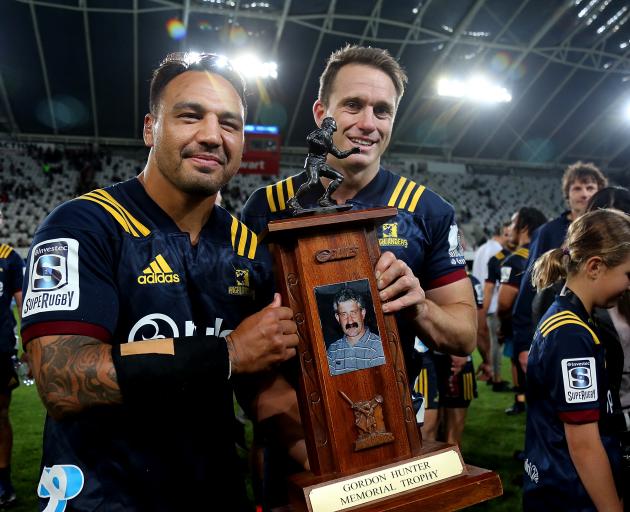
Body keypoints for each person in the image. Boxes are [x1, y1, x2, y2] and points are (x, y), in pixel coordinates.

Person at [21, 52, 302, 511]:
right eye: (191, 116)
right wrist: (227, 353)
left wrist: (346, 471)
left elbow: (264, 390)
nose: (212, 136)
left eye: (230, 124)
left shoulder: (248, 250)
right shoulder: (82, 225)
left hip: (214, 491)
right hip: (104, 496)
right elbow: (60, 379)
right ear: (151, 128)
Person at [241, 44, 477, 510]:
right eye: (353, 104)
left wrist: (421, 306)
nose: (368, 122)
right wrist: (315, 450)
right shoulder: (265, 208)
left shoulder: (428, 210)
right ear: (321, 112)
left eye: (382, 110)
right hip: (298, 448)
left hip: (393, 442)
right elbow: (247, 349)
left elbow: (465, 334)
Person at [524, 208, 627, 512]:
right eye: (628, 274)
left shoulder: (570, 319)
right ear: (595, 267)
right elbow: (584, 446)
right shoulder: (570, 334)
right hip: (570, 495)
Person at [511, 162, 607, 377]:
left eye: (590, 188)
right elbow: (530, 286)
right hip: (558, 330)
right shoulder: (547, 232)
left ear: (600, 191)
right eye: (577, 188)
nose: (584, 194)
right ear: (567, 194)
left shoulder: (611, 230)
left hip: (607, 332)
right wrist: (524, 343)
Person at [498, 207, 547, 415]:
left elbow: (504, 302)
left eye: (513, 222)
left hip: (523, 328)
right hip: (550, 326)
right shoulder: (548, 254)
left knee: (517, 363)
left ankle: (520, 401)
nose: (510, 227)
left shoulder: (514, 259)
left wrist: (503, 323)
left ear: (524, 226)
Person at [0, 214, 25, 506]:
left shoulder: (9, 258)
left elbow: (22, 303)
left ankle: (3, 480)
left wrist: (28, 342)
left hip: (0, 347)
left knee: (0, 415)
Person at [287, 116, 359, 210]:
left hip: (321, 164)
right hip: (312, 162)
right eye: (332, 129)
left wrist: (351, 151)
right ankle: (294, 200)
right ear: (328, 126)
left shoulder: (329, 140)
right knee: (313, 181)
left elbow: (339, 154)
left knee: (339, 177)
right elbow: (309, 138)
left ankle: (324, 199)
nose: (332, 132)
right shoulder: (319, 132)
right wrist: (320, 144)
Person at [474, 221, 511, 387]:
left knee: (488, 341)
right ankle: (496, 377)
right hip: (494, 302)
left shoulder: (482, 248)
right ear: (503, 233)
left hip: (481, 300)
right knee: (497, 343)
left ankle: (490, 371)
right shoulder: (498, 252)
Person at [327, 286, 384, 375]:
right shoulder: (332, 350)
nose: (350, 321)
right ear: (338, 318)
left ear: (363, 313)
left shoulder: (378, 347)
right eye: (344, 314)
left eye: (353, 312)